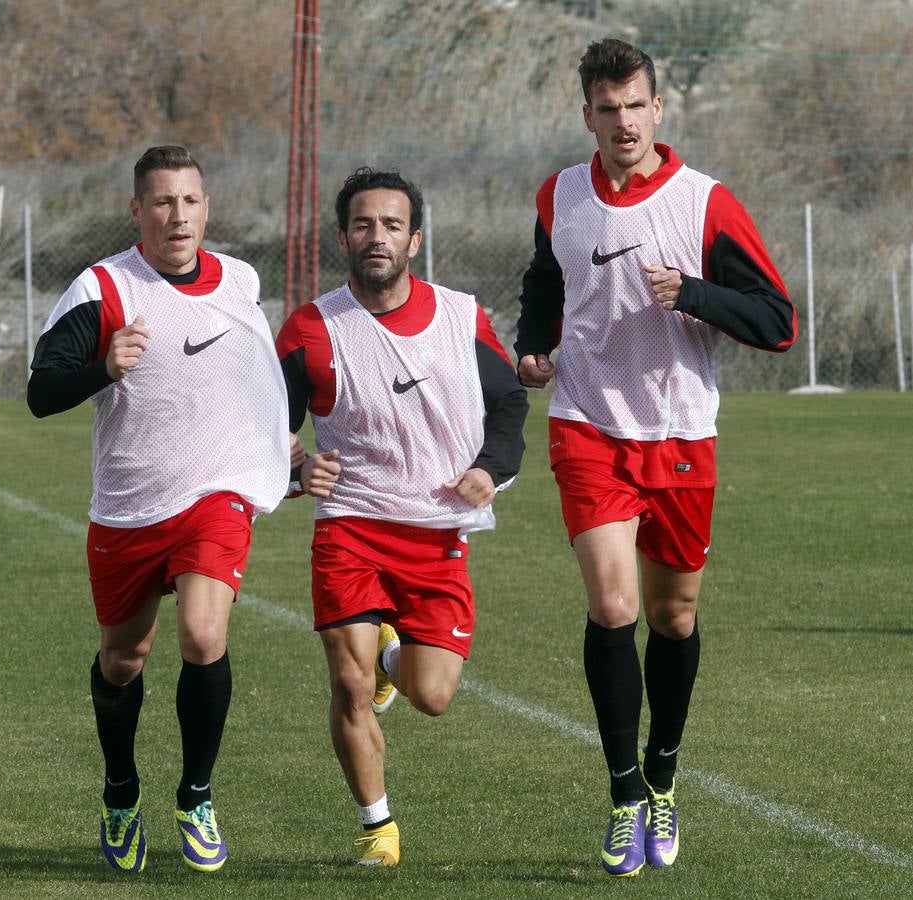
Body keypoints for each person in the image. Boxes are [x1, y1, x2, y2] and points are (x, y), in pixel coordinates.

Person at [514, 38, 797, 878]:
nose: (623, 122)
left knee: (671, 618)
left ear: (657, 110)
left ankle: (664, 776)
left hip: (679, 436)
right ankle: (624, 794)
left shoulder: (704, 202)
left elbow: (776, 319)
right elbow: (543, 280)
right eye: (607, 109)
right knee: (611, 606)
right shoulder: (558, 194)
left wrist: (695, 295)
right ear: (587, 115)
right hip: (587, 425)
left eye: (635, 106)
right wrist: (535, 344)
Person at [27, 146, 290, 874]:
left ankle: (196, 797)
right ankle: (120, 791)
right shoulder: (102, 287)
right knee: (123, 658)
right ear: (136, 210)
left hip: (216, 494)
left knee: (204, 637)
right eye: (163, 202)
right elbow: (41, 392)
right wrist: (102, 367)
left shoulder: (240, 279)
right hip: (128, 506)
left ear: (207, 208)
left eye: (191, 201)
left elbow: (255, 375)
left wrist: (281, 446)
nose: (178, 215)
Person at [277, 168, 528, 867]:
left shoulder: (460, 315)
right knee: (348, 683)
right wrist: (297, 469)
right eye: (363, 225)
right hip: (349, 528)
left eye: (391, 225)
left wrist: (489, 468)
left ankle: (397, 658)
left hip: (438, 529)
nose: (376, 237)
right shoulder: (310, 328)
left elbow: (508, 403)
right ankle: (376, 828)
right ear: (342, 237)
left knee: (432, 695)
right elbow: (261, 421)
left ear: (415, 239)